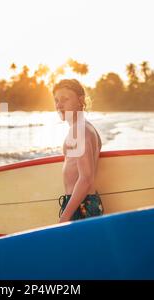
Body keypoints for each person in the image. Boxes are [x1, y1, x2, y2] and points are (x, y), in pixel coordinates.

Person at [52, 79, 104, 222]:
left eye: (65, 99)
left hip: (80, 205)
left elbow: (86, 178)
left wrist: (66, 215)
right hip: (83, 203)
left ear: (80, 100)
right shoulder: (85, 127)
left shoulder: (79, 130)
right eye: (56, 100)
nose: (59, 105)